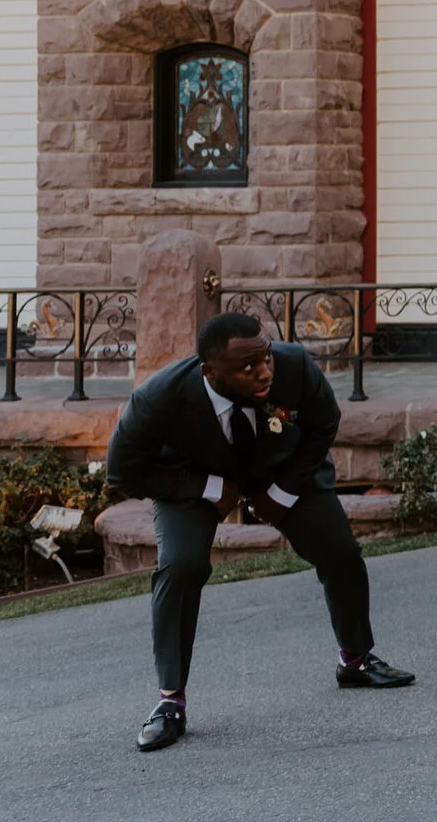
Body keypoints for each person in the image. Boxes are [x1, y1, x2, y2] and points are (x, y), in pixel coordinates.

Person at [106, 312, 414, 752]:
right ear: (209, 372)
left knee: (340, 552)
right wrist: (209, 488)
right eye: (248, 367)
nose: (264, 370)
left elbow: (324, 422)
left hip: (281, 470)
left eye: (265, 357)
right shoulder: (159, 398)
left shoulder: (294, 367)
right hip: (194, 480)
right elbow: (122, 473)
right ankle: (170, 702)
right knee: (181, 567)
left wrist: (283, 492)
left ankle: (356, 660)